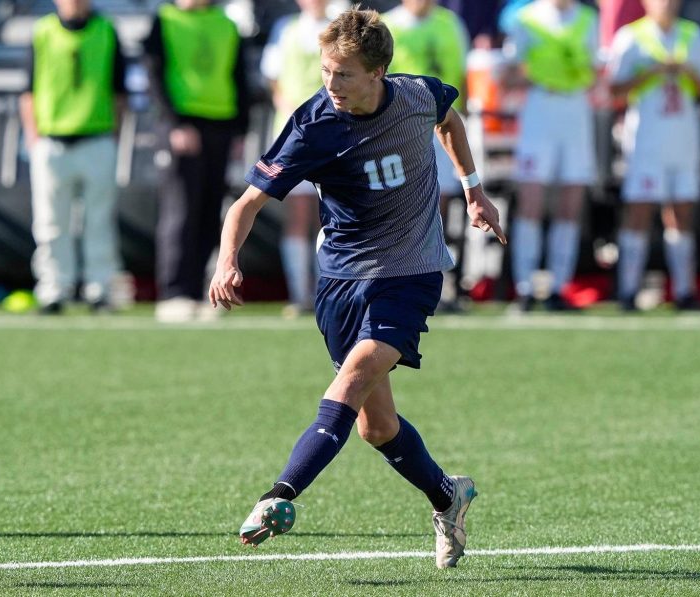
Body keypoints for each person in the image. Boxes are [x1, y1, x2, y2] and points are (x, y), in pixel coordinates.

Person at [208, 8, 505, 568]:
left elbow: (450, 119)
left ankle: (280, 494)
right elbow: (246, 204)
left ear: (379, 72)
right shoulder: (315, 124)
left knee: (353, 379)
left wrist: (472, 188)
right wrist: (227, 263)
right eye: (325, 71)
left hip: (410, 272)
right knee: (376, 425)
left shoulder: (418, 95)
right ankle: (448, 495)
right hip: (342, 279)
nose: (331, 84)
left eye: (343, 74)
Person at [607, 0, 700, 310]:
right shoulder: (631, 36)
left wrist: (687, 72)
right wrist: (652, 73)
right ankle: (628, 290)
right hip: (646, 139)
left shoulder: (692, 35)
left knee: (681, 212)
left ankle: (684, 290)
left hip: (683, 137)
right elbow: (614, 88)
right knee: (639, 210)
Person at [144, 0, 249, 322]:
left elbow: (238, 76)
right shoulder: (163, 20)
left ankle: (201, 292)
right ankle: (175, 292)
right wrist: (173, 122)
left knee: (209, 211)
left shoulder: (227, 24)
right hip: (182, 127)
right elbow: (154, 74)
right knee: (181, 212)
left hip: (221, 127)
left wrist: (239, 130)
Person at [19, 0, 126, 314]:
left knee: (99, 220)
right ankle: (53, 289)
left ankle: (100, 289)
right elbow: (29, 89)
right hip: (52, 140)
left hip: (97, 137)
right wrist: (34, 137)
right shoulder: (43, 31)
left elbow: (119, 90)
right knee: (50, 223)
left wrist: (113, 134)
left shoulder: (107, 30)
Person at [503, 0, 600, 312]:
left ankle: (559, 287)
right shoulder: (526, 18)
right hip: (541, 108)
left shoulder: (588, 18)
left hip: (575, 111)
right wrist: (540, 73)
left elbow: (597, 70)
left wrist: (578, 73)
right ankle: (525, 288)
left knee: (571, 203)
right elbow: (506, 74)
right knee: (531, 200)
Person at [384, 0, 470, 311]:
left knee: (440, 202)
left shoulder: (450, 23)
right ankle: (396, 277)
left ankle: (436, 280)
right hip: (399, 128)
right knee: (399, 202)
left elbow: (462, 72)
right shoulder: (386, 24)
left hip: (442, 123)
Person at [261, 0, 332, 317]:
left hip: (333, 135)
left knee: (328, 216)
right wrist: (297, 118)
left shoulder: (338, 29)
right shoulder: (286, 29)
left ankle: (326, 290)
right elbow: (274, 79)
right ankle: (300, 294)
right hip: (294, 136)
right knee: (298, 215)